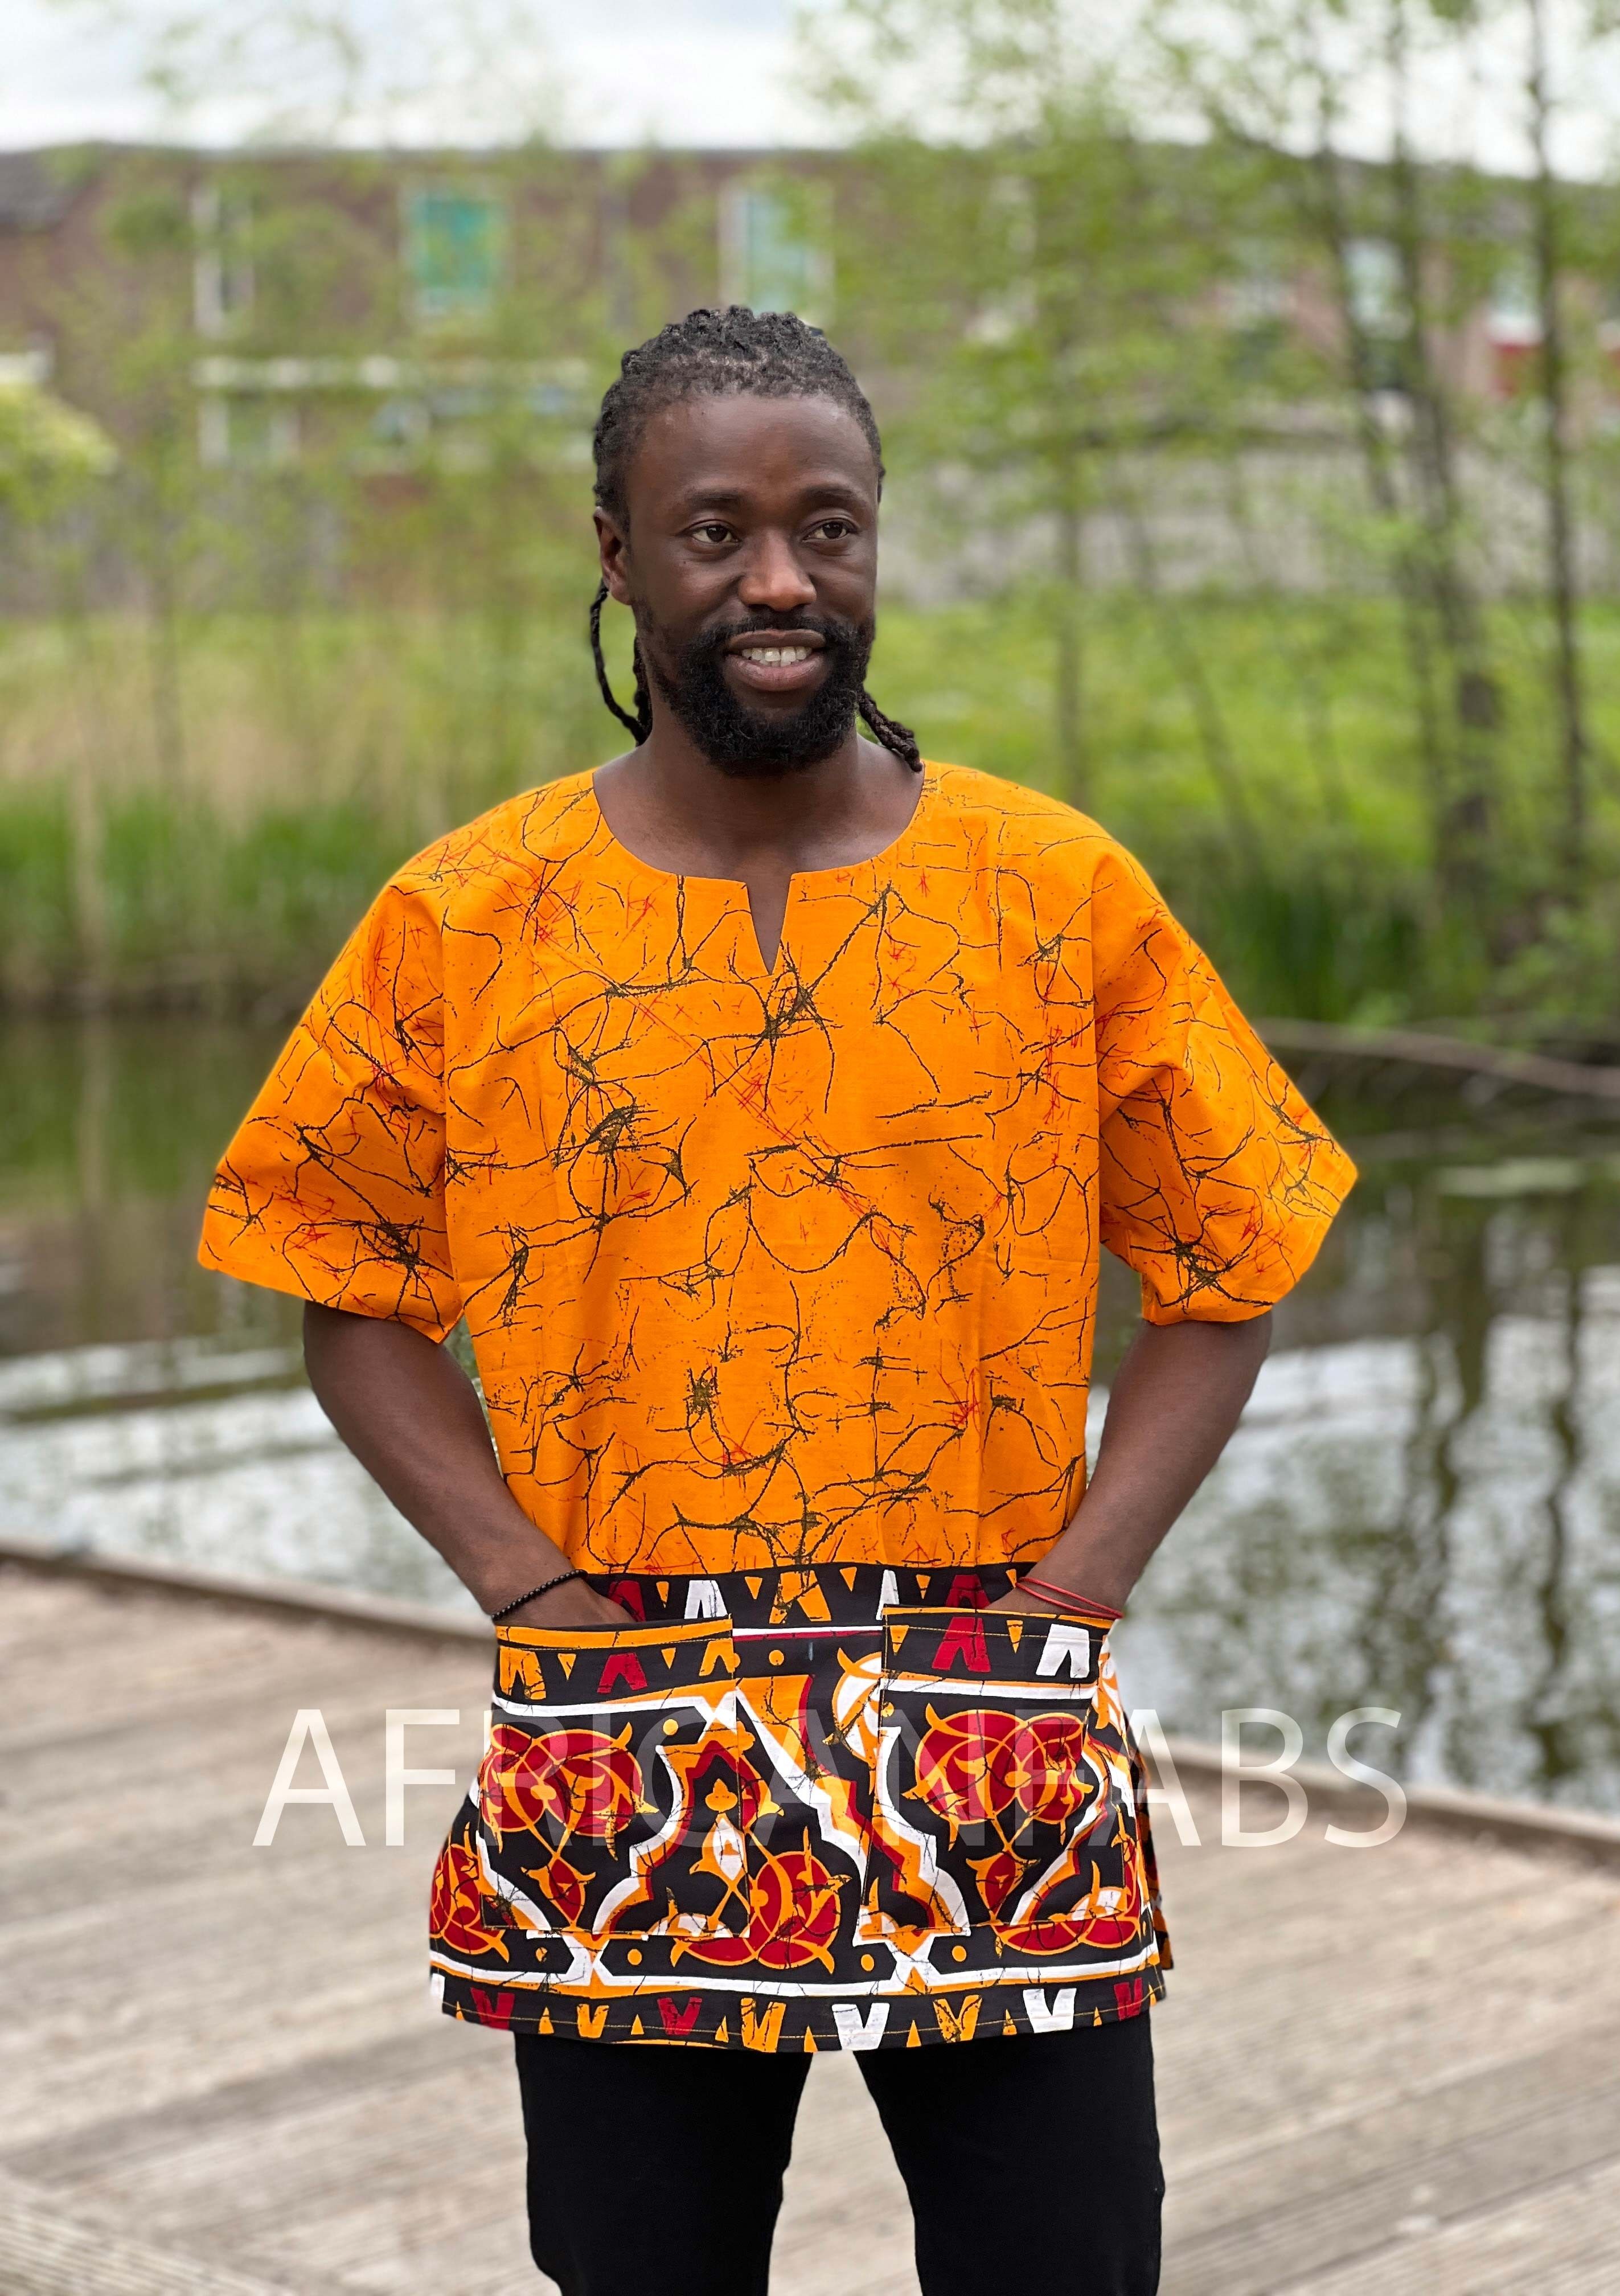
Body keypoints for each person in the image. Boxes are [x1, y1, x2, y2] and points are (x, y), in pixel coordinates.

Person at [200, 306, 1355, 2296]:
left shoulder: (1053, 892)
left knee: (1068, 2267)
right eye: (715, 530)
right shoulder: (469, 918)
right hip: (627, 1718)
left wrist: (1077, 1593)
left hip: (989, 1714)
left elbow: (1229, 1258)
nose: (780, 581)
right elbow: (343, 1280)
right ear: (617, 553)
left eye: (828, 526)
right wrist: (528, 1591)